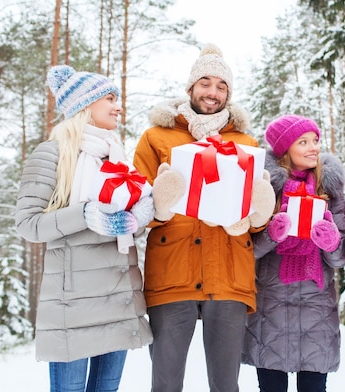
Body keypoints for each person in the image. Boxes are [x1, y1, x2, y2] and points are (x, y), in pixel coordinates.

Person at [132, 43, 275, 392]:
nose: (212, 92)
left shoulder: (246, 141)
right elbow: (135, 207)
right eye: (205, 83)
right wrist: (159, 207)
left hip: (228, 274)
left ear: (228, 93)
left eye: (221, 86)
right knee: (165, 383)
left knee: (226, 385)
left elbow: (257, 225)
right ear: (190, 87)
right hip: (171, 272)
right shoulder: (156, 137)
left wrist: (256, 213)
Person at [15, 65, 154, 392]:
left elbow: (123, 226)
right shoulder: (52, 154)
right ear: (84, 105)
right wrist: (86, 214)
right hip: (73, 308)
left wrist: (136, 221)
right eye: (109, 98)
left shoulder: (117, 159)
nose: (118, 106)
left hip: (117, 301)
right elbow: (28, 224)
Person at [242, 115, 345, 392]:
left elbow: (339, 258)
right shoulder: (264, 187)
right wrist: (272, 235)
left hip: (317, 308)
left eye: (315, 141)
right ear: (284, 149)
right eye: (303, 142)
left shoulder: (330, 188)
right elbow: (247, 251)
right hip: (271, 305)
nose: (313, 148)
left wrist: (331, 241)